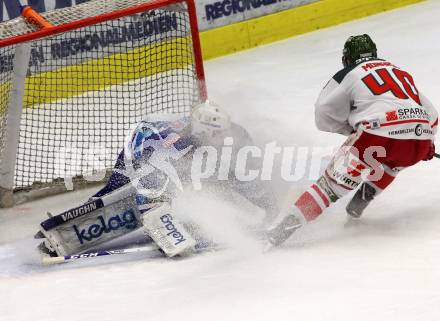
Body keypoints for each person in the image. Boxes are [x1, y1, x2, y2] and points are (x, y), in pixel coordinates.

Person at [37, 100, 278, 257]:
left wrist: (270, 205)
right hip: (139, 151)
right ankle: (71, 225)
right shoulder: (171, 140)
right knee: (122, 191)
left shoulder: (235, 134)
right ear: (204, 132)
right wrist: (157, 213)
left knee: (224, 177)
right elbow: (147, 172)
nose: (227, 137)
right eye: (218, 135)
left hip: (181, 160)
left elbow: (246, 174)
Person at [267, 34, 438, 246]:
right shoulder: (399, 70)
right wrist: (427, 141)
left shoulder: (348, 73)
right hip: (419, 138)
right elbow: (432, 113)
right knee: (392, 164)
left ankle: (277, 235)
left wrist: (352, 128)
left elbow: (323, 114)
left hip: (375, 135)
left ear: (347, 58)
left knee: (329, 188)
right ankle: (357, 206)